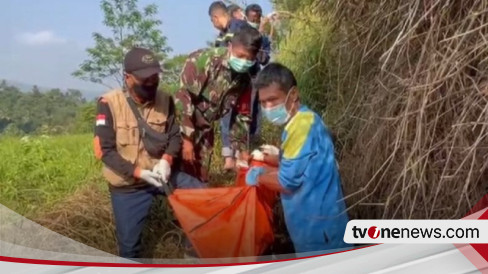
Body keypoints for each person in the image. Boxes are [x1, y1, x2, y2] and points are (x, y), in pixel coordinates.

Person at [93, 47, 205, 259]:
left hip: (161, 173)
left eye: (155, 76)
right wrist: (138, 173)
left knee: (203, 196)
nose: (152, 82)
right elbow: (104, 151)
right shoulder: (109, 103)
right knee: (129, 248)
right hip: (128, 185)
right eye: (145, 78)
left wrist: (166, 160)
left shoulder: (165, 100)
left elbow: (174, 136)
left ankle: (193, 254)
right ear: (128, 78)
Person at [245, 63, 352, 255]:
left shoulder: (299, 128)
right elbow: (303, 164)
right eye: (263, 103)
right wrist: (275, 159)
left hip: (319, 232)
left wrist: (257, 175)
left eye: (273, 100)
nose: (268, 108)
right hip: (321, 226)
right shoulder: (305, 119)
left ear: (293, 94)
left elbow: (286, 182)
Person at [174, 26, 262, 182]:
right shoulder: (203, 60)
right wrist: (187, 139)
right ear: (230, 47)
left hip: (206, 128)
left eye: (249, 59)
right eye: (241, 56)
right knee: (177, 169)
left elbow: (241, 117)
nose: (244, 62)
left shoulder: (244, 81)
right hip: (183, 124)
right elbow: (183, 97)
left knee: (199, 175)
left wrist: (242, 151)